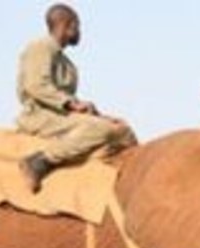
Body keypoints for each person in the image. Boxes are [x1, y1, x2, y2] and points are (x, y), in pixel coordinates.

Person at [16, 3, 136, 192]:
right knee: (101, 129)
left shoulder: (65, 62)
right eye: (77, 26)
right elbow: (36, 86)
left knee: (122, 130)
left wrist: (93, 112)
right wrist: (72, 104)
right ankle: (40, 161)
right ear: (67, 25)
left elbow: (65, 98)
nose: (79, 31)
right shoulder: (40, 47)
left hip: (60, 115)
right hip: (40, 117)